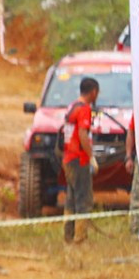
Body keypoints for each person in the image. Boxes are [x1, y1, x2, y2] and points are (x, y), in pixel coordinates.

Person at [61, 77, 99, 244]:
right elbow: (83, 134)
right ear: (93, 92)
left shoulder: (72, 106)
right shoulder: (84, 109)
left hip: (68, 157)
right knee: (84, 199)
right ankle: (80, 238)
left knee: (71, 200)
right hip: (79, 159)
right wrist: (91, 157)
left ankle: (68, 236)